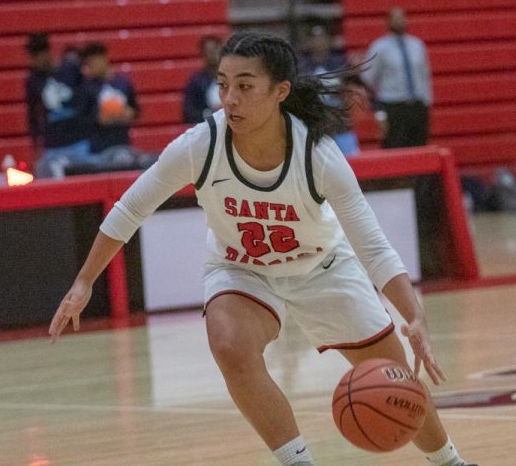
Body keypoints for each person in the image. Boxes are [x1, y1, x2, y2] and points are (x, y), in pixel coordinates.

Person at [50, 33, 476, 466]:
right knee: (230, 345)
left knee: (395, 382)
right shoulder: (201, 145)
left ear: (280, 92)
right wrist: (85, 280)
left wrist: (415, 315)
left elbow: (373, 245)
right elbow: (131, 207)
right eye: (223, 85)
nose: (230, 99)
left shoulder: (317, 154)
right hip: (241, 268)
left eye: (245, 86)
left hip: (323, 268)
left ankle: (450, 462)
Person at [23, 32, 91, 178]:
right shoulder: (33, 79)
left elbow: (87, 97)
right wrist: (36, 143)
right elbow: (32, 113)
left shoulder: (70, 69)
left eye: (36, 57)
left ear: (46, 53)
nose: (34, 62)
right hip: (52, 144)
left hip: (78, 141)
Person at [363, 7, 433, 149]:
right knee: (394, 146)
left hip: (417, 105)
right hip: (393, 105)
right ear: (388, 22)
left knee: (419, 147)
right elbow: (367, 79)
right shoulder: (379, 47)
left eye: (401, 18)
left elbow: (425, 76)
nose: (399, 22)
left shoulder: (417, 45)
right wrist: (378, 111)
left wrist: (427, 103)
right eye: (395, 18)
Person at [300, 26, 362, 156]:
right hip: (316, 131)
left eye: (322, 38)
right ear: (308, 42)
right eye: (314, 39)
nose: (319, 43)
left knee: (353, 168)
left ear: (329, 40)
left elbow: (359, 88)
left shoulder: (341, 63)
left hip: (341, 128)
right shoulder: (302, 67)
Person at [79, 42, 138, 155]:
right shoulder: (87, 87)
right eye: (88, 64)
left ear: (104, 58)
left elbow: (135, 111)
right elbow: (81, 119)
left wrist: (130, 114)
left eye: (93, 62)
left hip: (122, 143)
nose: (91, 67)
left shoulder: (123, 83)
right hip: (98, 148)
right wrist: (98, 118)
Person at [182, 35, 223, 124]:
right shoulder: (196, 82)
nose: (212, 54)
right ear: (202, 54)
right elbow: (188, 112)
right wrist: (210, 113)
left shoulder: (234, 78)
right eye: (208, 51)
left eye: (215, 49)